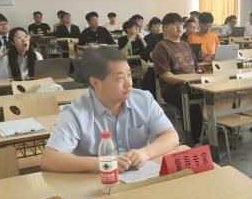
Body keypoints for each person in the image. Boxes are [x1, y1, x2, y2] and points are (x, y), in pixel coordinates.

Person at [41, 45, 178, 173]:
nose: (129, 83)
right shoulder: (76, 112)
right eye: (120, 78)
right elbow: (50, 159)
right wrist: (104, 163)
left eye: (129, 75)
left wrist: (145, 153)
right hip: (96, 182)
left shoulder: (144, 100)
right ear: (95, 83)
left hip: (138, 178)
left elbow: (171, 136)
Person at [153, 13, 203, 144]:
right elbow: (165, 75)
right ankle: (193, 140)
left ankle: (214, 130)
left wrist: (200, 78)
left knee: (213, 95)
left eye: (181, 24)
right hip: (173, 89)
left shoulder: (186, 45)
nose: (180, 27)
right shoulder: (161, 47)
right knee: (191, 101)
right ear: (164, 28)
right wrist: (186, 81)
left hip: (193, 85)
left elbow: (197, 68)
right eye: (175, 25)